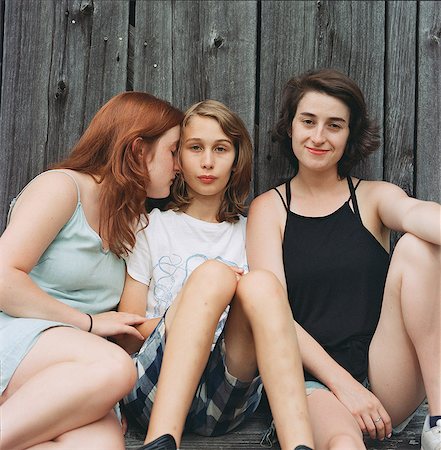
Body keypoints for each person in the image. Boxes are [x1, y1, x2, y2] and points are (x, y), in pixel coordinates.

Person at [246, 68, 441, 450]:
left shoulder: (372, 197)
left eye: (334, 125)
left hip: (383, 372)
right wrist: (345, 386)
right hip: (311, 380)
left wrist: (363, 385)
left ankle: (439, 420)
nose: (319, 136)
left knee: (419, 245)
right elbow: (275, 317)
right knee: (344, 443)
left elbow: (419, 214)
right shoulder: (269, 209)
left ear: (350, 134)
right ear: (290, 128)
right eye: (308, 121)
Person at [116, 100, 314, 450]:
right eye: (195, 148)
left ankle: (299, 444)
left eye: (220, 149)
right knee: (214, 277)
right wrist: (193, 314)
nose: (207, 162)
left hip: (224, 400)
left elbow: (275, 323)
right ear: (177, 159)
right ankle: (161, 440)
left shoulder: (251, 233)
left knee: (261, 284)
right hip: (153, 389)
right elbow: (128, 333)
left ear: (236, 158)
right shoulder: (151, 228)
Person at [0, 91, 184, 450]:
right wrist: (86, 322)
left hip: (79, 369)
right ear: (137, 149)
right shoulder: (62, 187)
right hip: (18, 340)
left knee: (100, 445)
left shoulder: (136, 223)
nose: (178, 165)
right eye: (173, 150)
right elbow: (4, 278)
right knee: (117, 368)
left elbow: (127, 324)